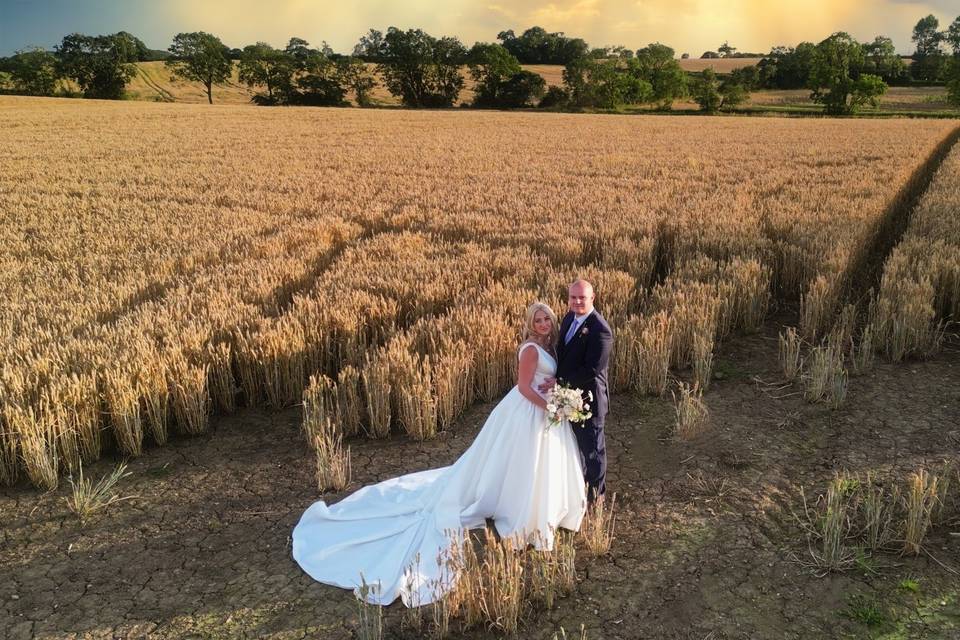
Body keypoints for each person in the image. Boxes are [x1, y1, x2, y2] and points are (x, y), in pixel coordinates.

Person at [291, 302, 586, 607]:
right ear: (530, 323)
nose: (543, 323)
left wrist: (555, 388)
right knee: (521, 463)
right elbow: (524, 387)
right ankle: (521, 509)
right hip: (529, 410)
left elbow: (544, 378)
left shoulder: (549, 346)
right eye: (537, 320)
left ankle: (541, 508)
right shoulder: (530, 350)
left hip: (544, 406)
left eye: (546, 319)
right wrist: (551, 406)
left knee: (535, 464)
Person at [540, 279, 613, 501]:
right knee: (574, 447)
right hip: (567, 397)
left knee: (592, 451)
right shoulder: (569, 318)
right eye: (573, 297)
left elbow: (591, 369)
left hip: (589, 401)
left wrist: (559, 381)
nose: (577, 301)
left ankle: (596, 499)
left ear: (593, 298)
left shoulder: (600, 330)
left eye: (582, 297)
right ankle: (576, 491)